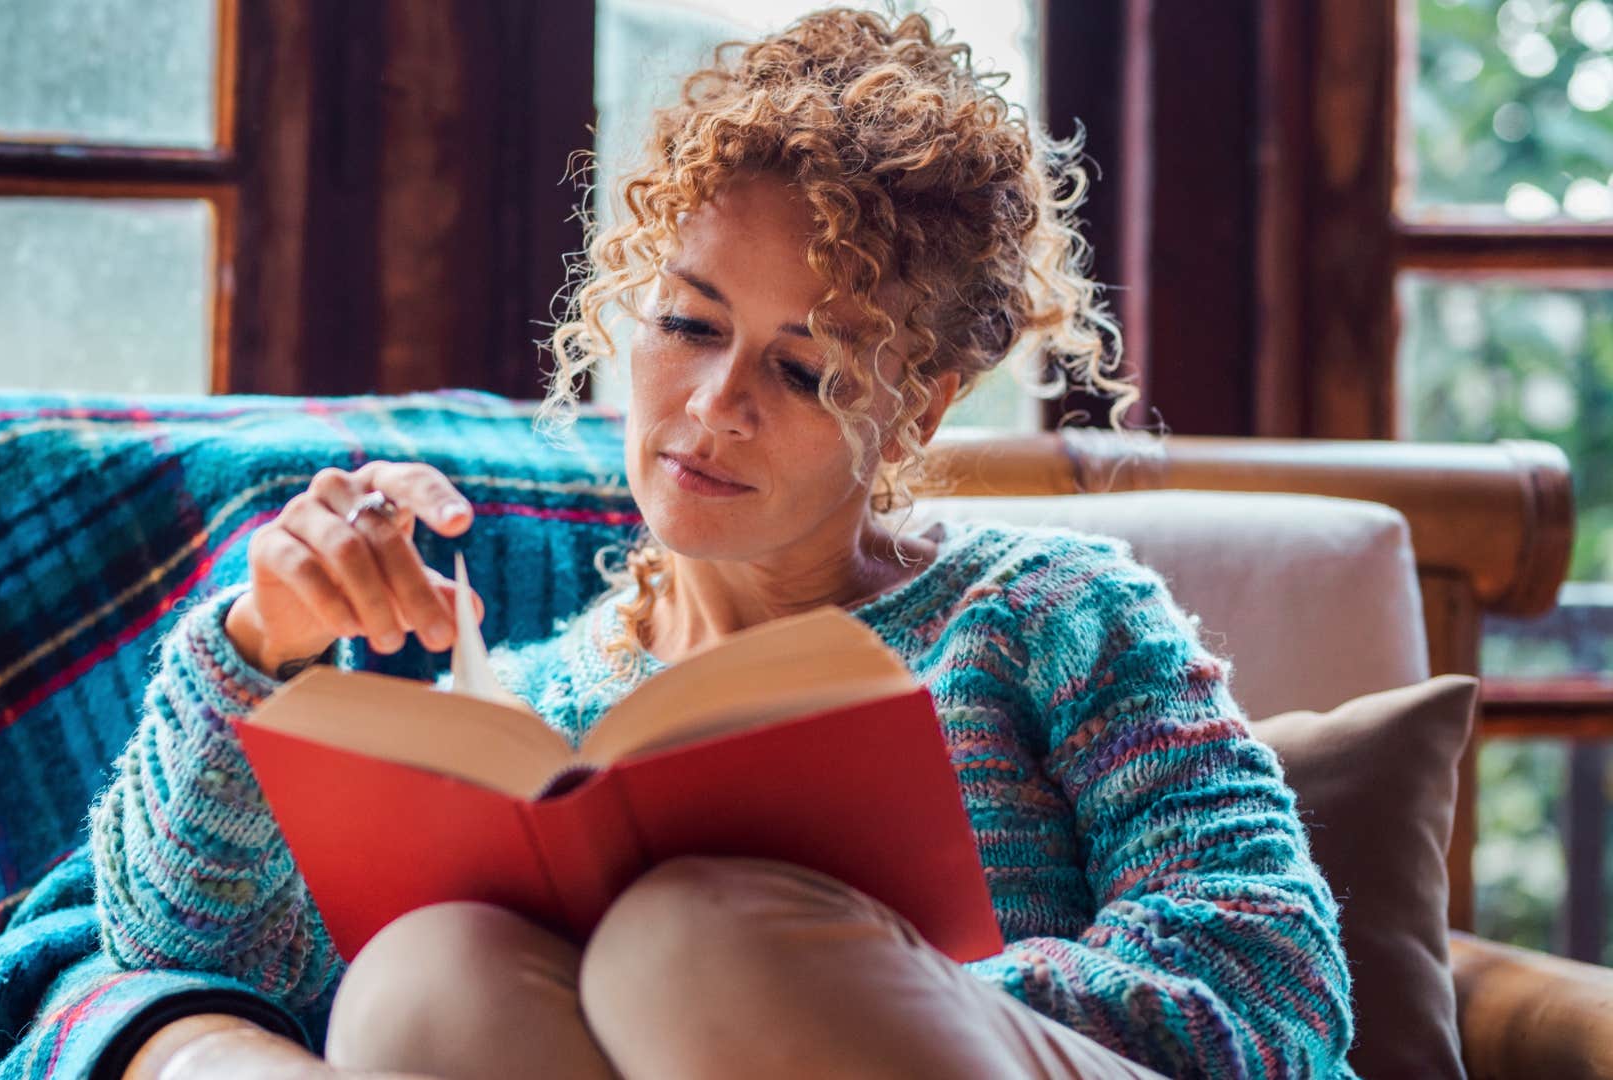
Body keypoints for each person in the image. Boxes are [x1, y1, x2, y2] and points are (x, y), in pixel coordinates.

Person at [93, 9, 1354, 1078]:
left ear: (915, 410)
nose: (713, 407)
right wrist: (260, 638)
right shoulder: (539, 717)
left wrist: (856, 979)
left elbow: (1272, 982)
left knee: (687, 942)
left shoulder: (1052, 613)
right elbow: (196, 956)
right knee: (427, 971)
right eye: (689, 326)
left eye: (804, 370)